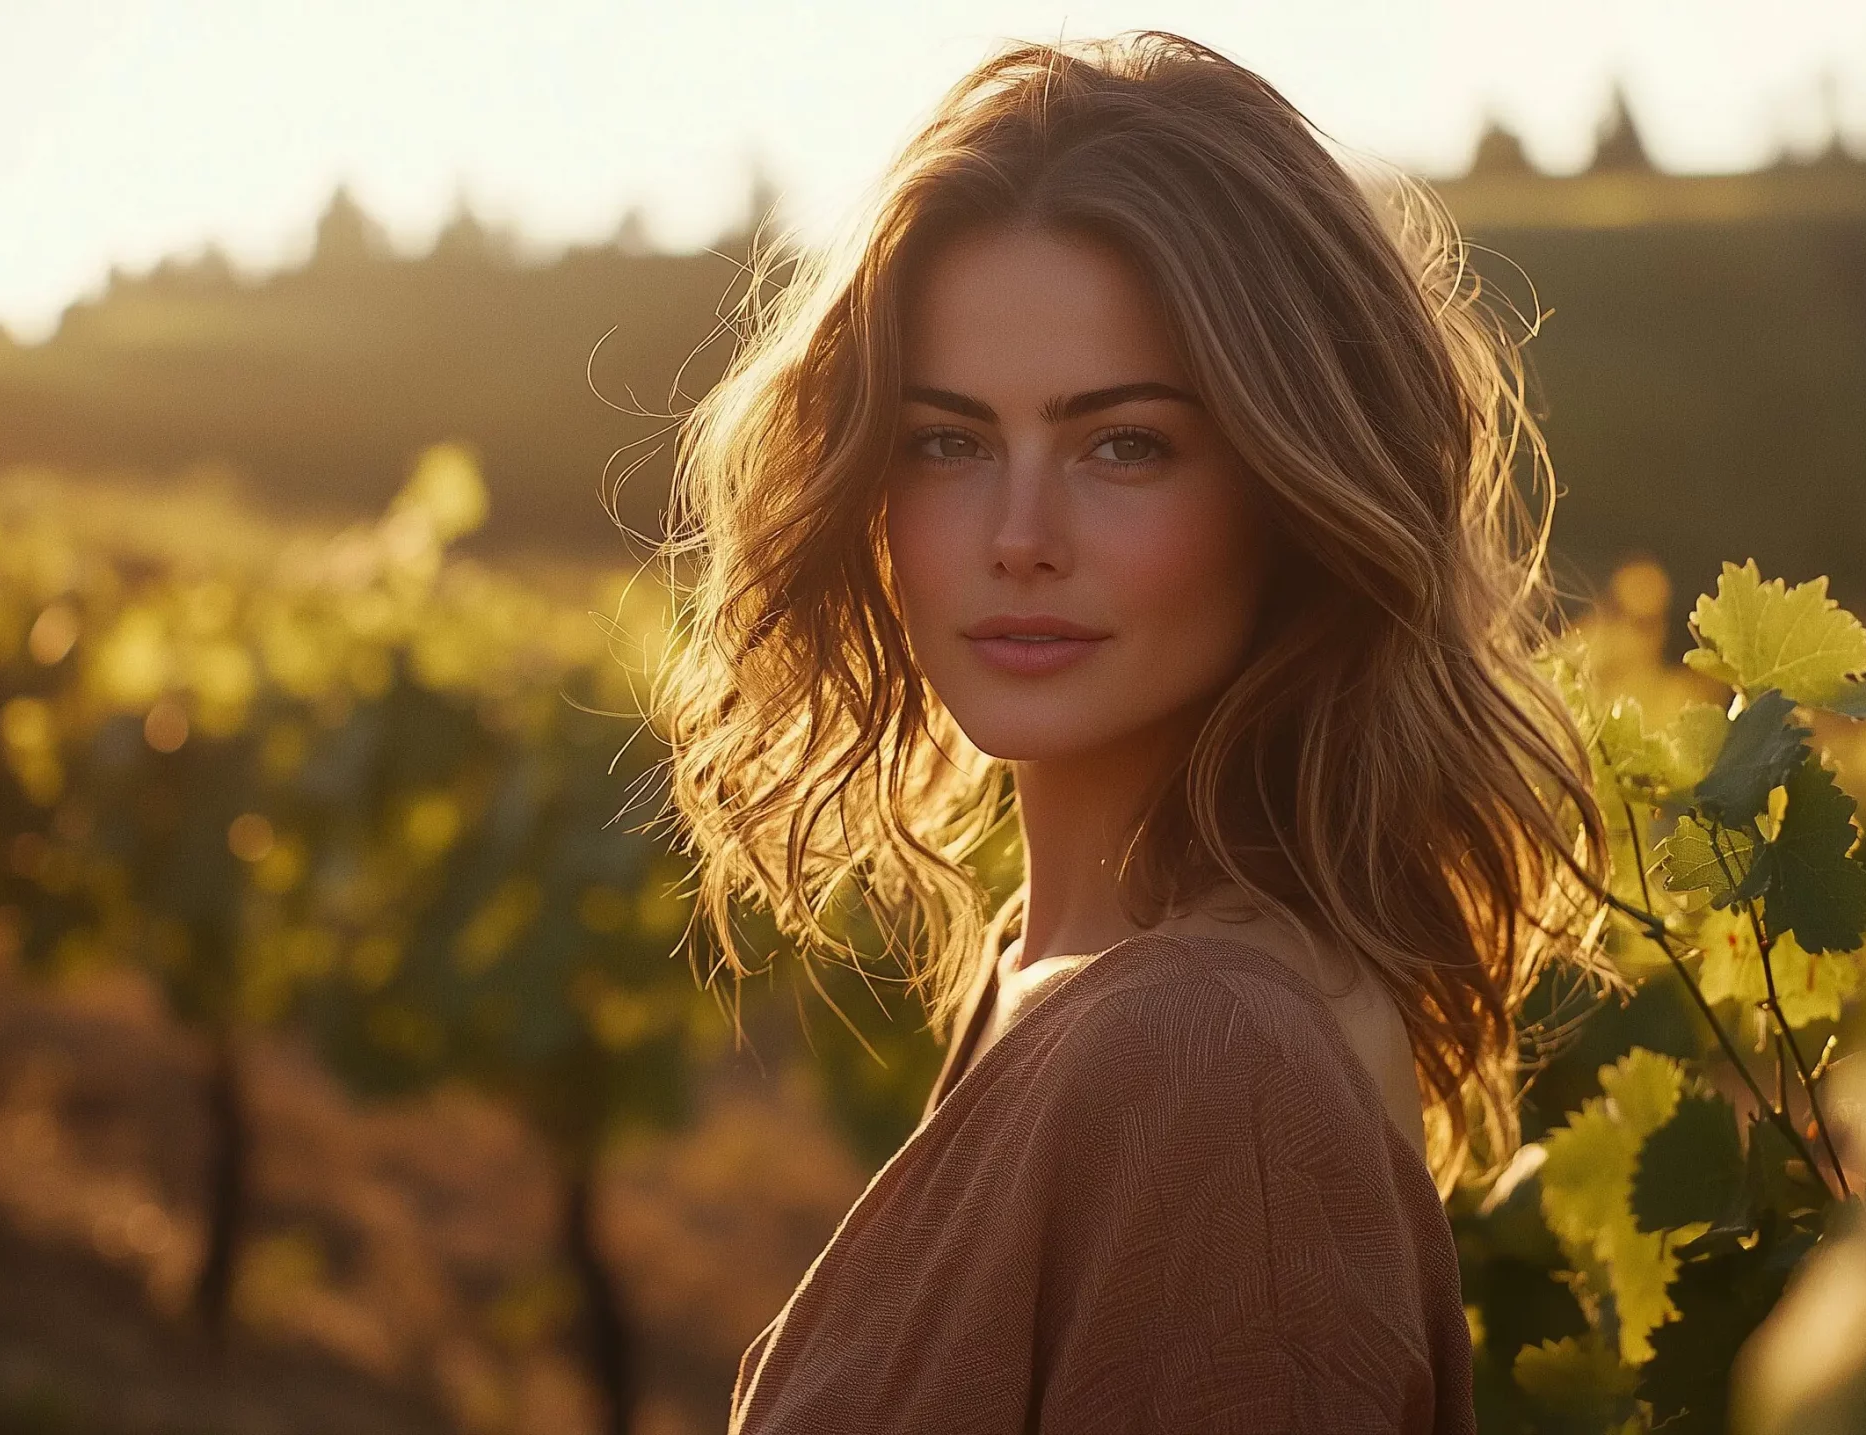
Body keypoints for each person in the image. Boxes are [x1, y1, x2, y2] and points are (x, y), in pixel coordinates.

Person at [656, 30, 1608, 1433]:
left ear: (1293, 489)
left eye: (1126, 445)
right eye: (948, 441)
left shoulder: (1208, 1063)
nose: (1019, 537)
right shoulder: (1045, 978)